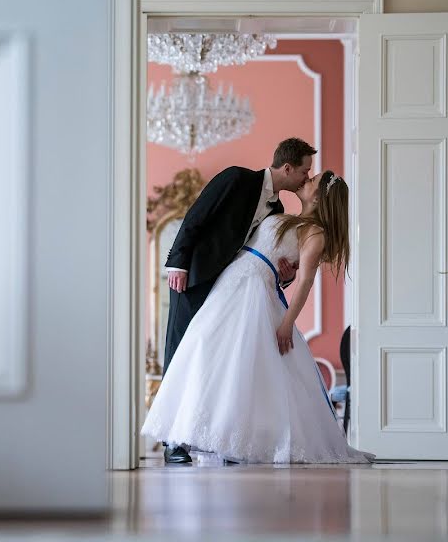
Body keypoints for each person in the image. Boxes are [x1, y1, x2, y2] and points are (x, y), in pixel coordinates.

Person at [142, 171, 374, 464]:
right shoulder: (287, 216)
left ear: (319, 196)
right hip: (229, 285)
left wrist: (287, 323)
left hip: (253, 294)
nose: (306, 179)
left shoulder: (315, 233)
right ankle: (187, 435)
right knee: (205, 351)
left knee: (241, 362)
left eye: (312, 180)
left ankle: (234, 438)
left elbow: (303, 283)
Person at [159, 138, 316, 464]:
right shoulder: (236, 178)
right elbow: (196, 216)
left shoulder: (278, 210)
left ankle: (212, 433)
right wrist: (178, 262)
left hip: (232, 291)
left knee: (216, 361)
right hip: (196, 277)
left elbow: (267, 259)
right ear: (287, 168)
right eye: (304, 171)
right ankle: (172, 440)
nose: (306, 177)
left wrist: (284, 275)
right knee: (183, 349)